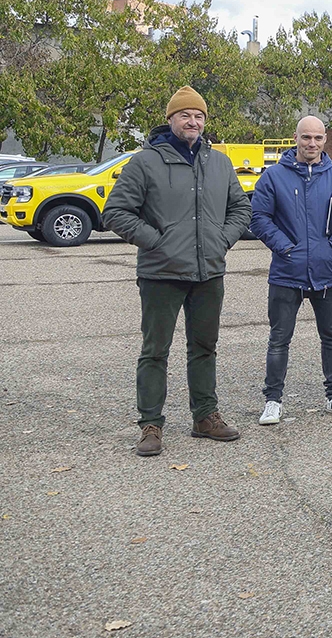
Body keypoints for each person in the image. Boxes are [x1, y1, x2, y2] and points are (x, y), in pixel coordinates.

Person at [102, 86, 251, 457]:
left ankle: (205, 416)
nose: (193, 121)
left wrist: (222, 239)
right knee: (155, 350)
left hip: (208, 272)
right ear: (171, 119)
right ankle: (150, 424)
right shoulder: (146, 162)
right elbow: (116, 212)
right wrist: (157, 241)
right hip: (161, 273)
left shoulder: (218, 163)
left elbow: (241, 210)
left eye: (199, 116)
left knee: (204, 347)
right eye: (185, 115)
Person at [249, 115, 332, 426]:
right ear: (295, 138)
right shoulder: (273, 178)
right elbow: (259, 218)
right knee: (279, 339)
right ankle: (273, 400)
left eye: (318, 138)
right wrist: (285, 247)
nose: (312, 144)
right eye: (306, 137)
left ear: (325, 140)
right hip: (286, 272)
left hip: (327, 274)